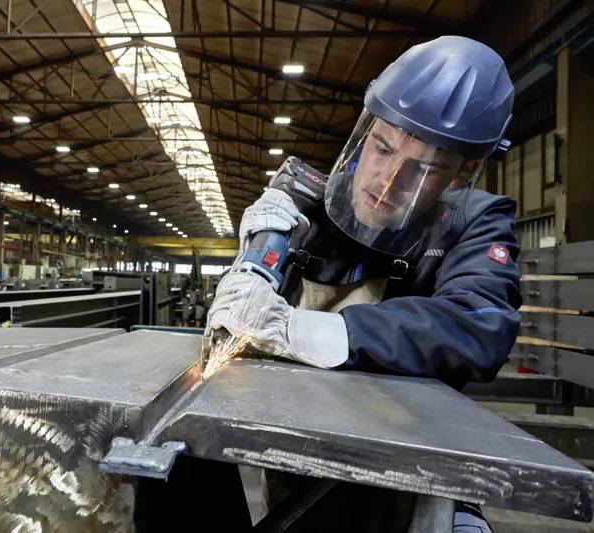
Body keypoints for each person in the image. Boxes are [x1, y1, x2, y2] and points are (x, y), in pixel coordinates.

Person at [206, 35, 520, 532]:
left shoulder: (479, 222)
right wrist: (249, 270)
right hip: (295, 449)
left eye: (423, 169)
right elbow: (247, 310)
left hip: (409, 464)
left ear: (464, 174)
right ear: (367, 129)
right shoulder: (302, 201)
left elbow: (479, 326)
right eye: (381, 148)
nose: (387, 180)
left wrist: (302, 331)